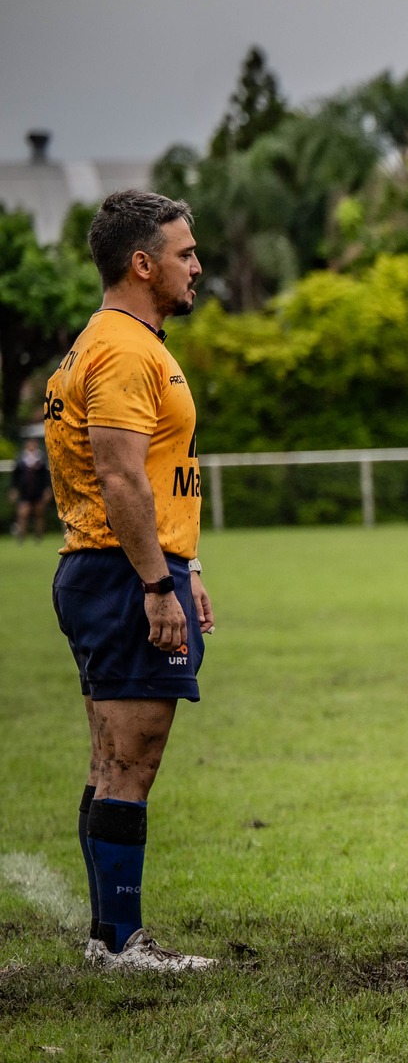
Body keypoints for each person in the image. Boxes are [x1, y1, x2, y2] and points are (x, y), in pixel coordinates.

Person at [43, 190, 217, 973]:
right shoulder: (120, 350)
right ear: (142, 264)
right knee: (128, 762)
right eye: (184, 253)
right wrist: (157, 586)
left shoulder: (113, 342)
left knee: (111, 758)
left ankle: (104, 936)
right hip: (122, 573)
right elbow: (118, 475)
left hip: (119, 566)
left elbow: (157, 472)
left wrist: (189, 567)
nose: (197, 265)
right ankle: (120, 941)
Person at [11, 437, 53, 541]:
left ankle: (39, 536)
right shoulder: (20, 459)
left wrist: (47, 489)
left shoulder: (41, 459)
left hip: (38, 490)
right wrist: (14, 489)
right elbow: (15, 477)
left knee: (39, 513)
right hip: (25, 491)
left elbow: (46, 476)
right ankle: (21, 536)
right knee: (23, 513)